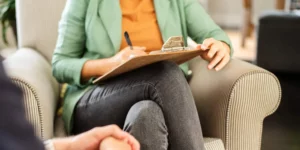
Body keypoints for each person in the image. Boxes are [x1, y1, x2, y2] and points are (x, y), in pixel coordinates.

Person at [52, 0, 233, 149]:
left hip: (157, 97)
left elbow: (215, 34)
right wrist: (112, 63)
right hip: (97, 99)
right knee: (166, 72)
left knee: (147, 115)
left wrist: (220, 45)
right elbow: (60, 64)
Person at [0, 60, 139, 150]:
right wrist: (111, 63)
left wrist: (70, 146)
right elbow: (60, 65)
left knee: (145, 111)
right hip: (92, 95)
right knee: (158, 77)